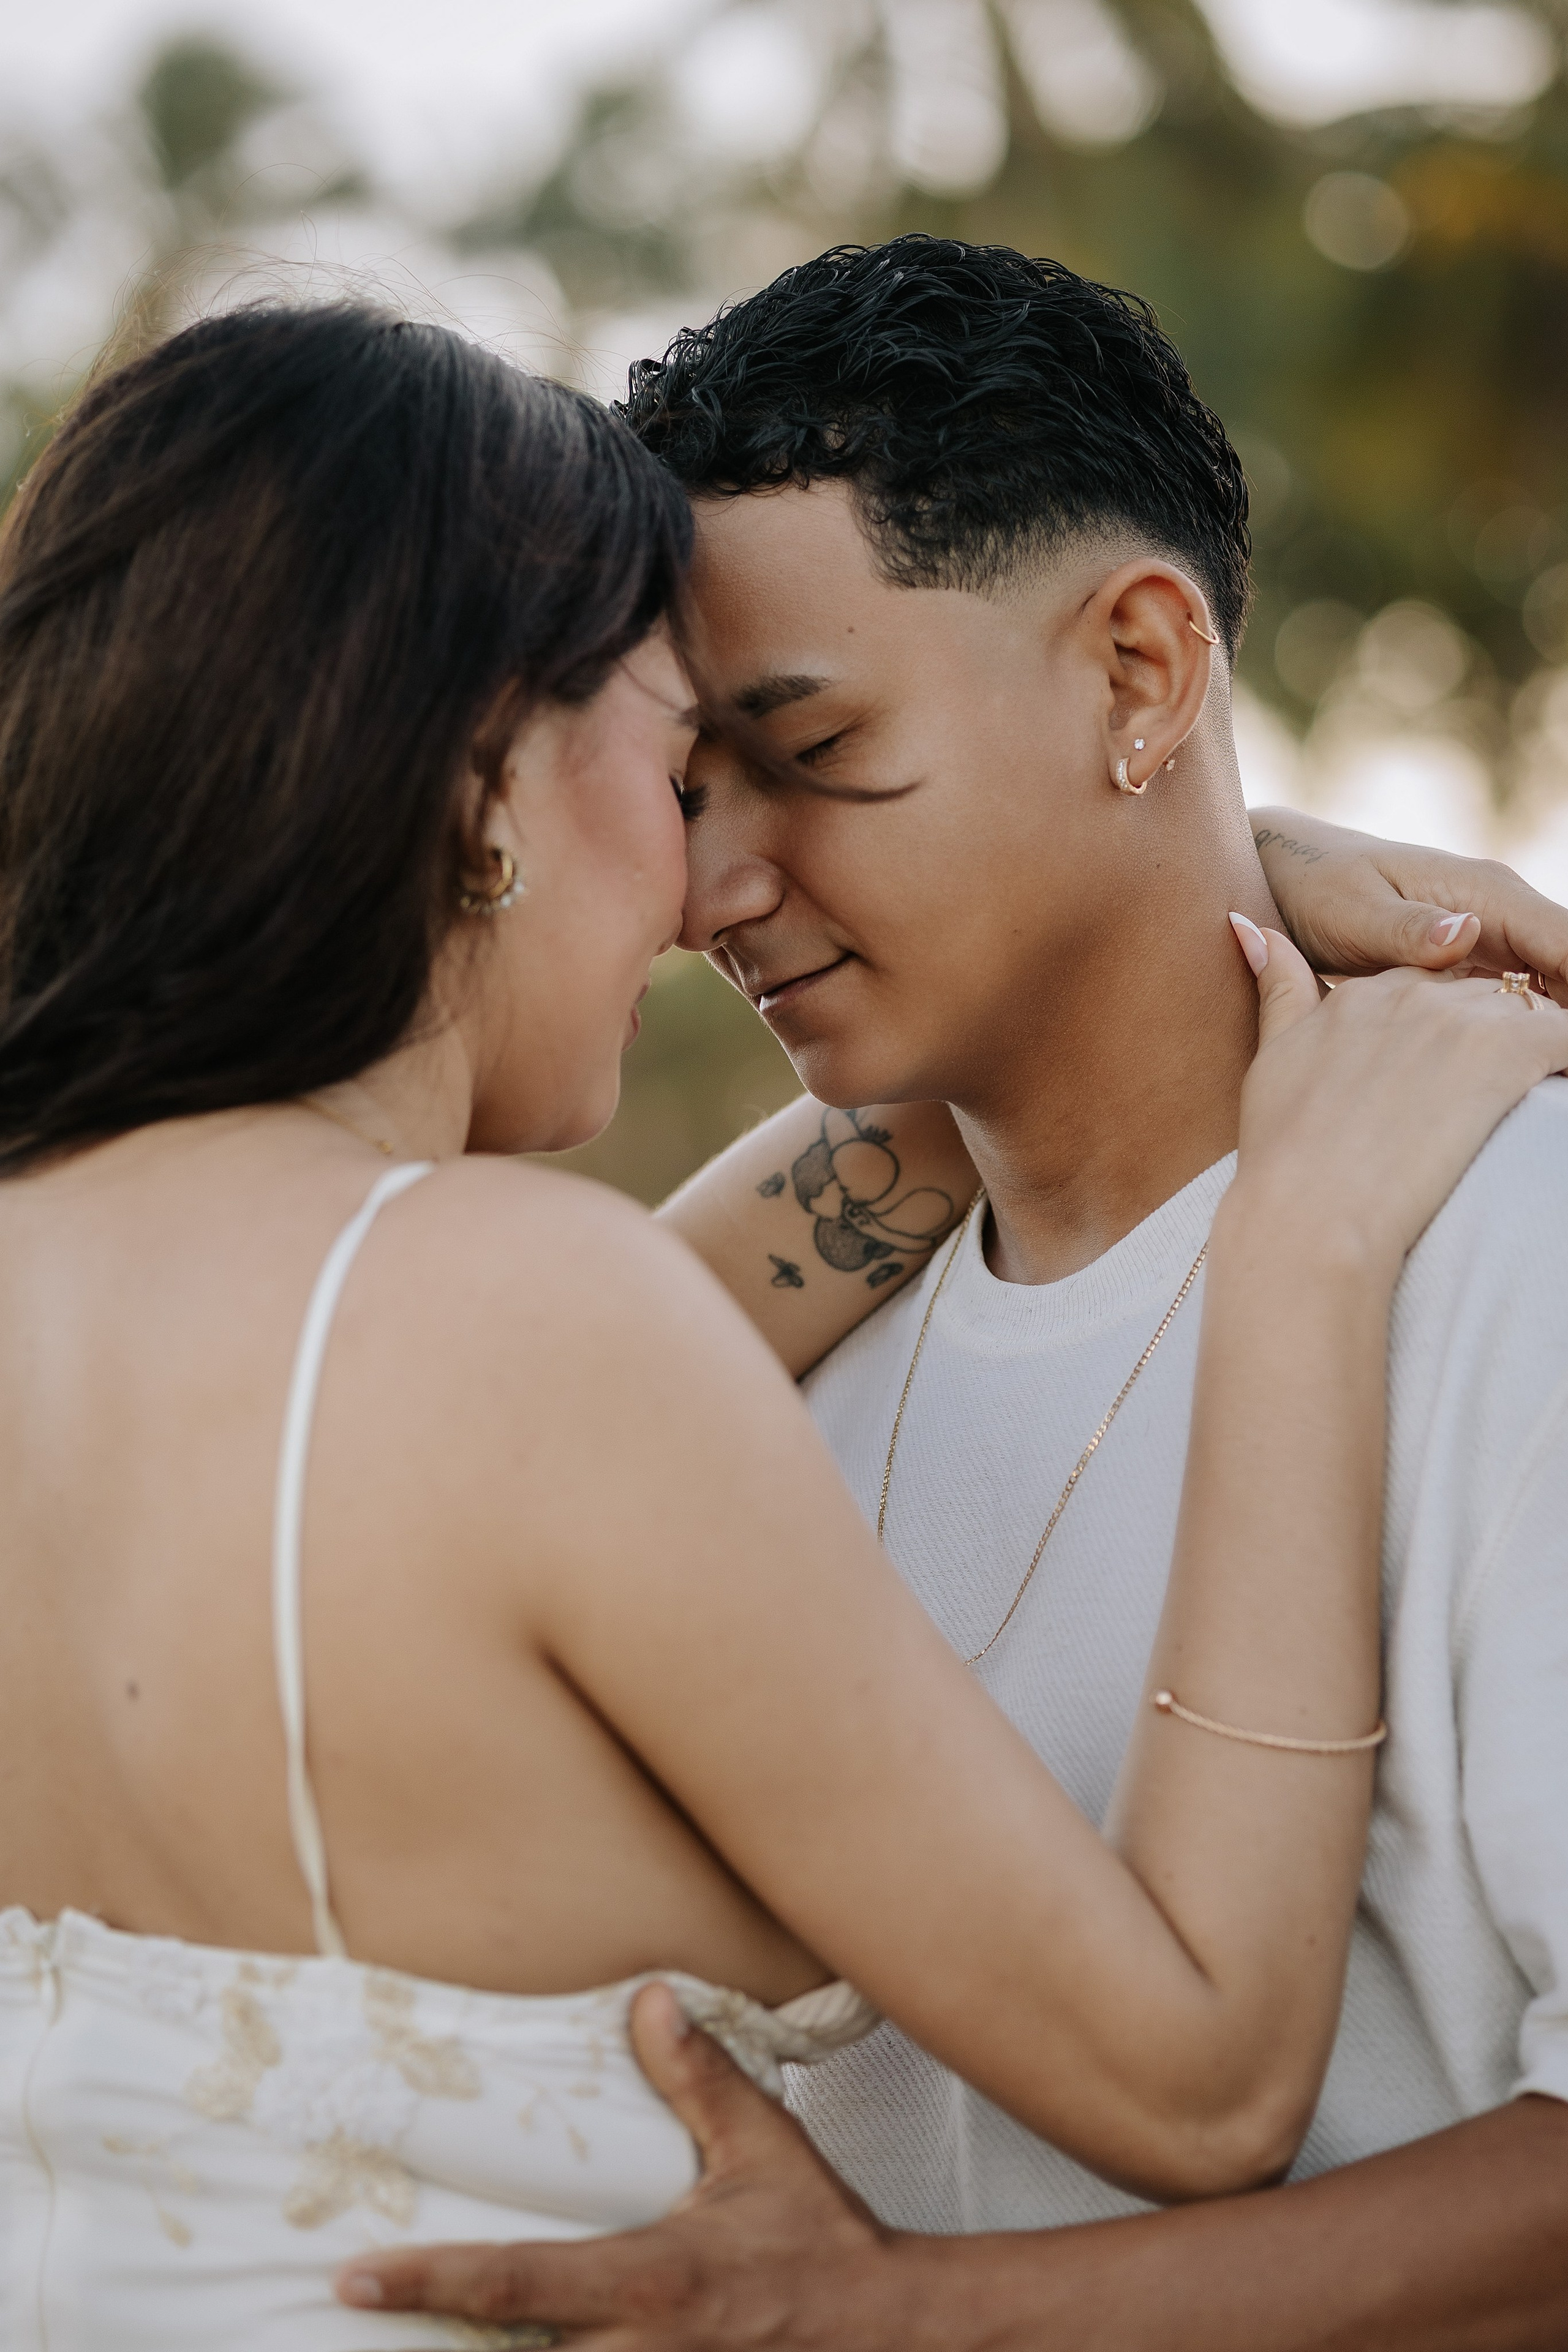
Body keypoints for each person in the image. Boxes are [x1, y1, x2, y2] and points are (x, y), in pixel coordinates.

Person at [344, 239, 1568, 2347]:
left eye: (810, 748)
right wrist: (1242, 873)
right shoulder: (767, 1344)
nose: (717, 887)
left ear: (1139, 674)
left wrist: (906, 2320)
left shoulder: (1511, 1246)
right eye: (691, 785)